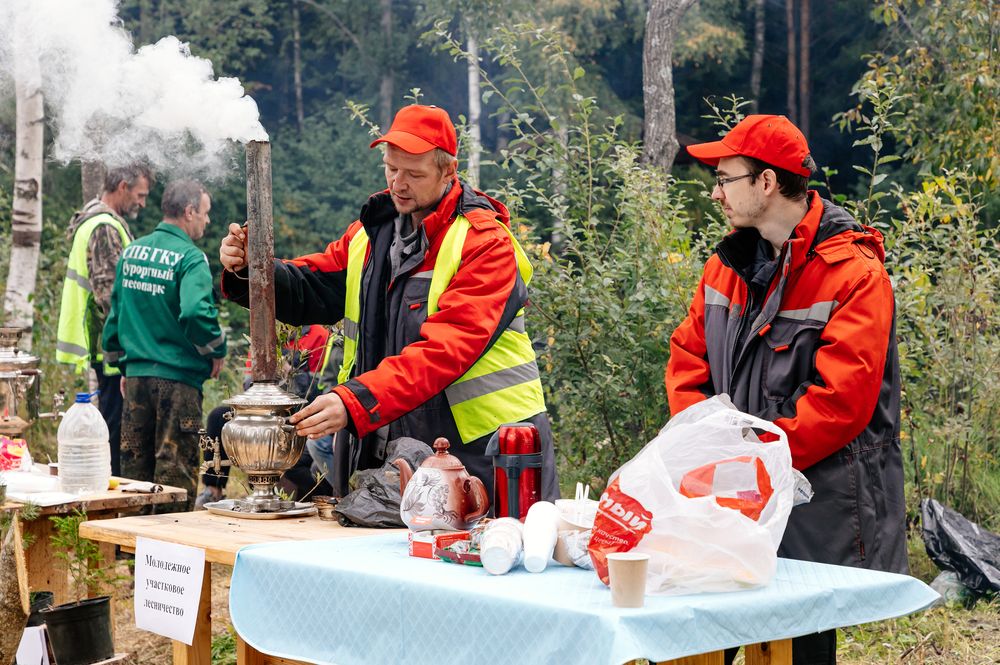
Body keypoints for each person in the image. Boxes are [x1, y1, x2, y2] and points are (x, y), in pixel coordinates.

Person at [218, 104, 559, 504]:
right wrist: (252, 269)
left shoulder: (486, 244)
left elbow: (443, 352)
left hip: (488, 455)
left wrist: (354, 400)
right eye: (390, 168)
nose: (398, 183)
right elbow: (312, 284)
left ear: (449, 172)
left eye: (414, 174)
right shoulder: (370, 233)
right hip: (393, 448)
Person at [665, 115, 906, 665]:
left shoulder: (853, 272)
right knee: (706, 634)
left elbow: (841, 401)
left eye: (726, 178)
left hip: (814, 504)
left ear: (767, 182)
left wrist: (751, 464)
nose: (716, 191)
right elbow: (687, 360)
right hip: (726, 494)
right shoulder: (727, 266)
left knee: (798, 645)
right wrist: (707, 447)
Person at [103, 179, 227, 510]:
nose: (207, 220)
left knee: (134, 477)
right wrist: (217, 350)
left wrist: (125, 367)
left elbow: (115, 318)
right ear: (189, 212)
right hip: (178, 384)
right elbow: (195, 312)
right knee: (174, 477)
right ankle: (171, 559)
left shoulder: (132, 252)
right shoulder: (190, 258)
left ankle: (132, 556)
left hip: (137, 382)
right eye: (205, 213)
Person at [57, 163, 153, 476]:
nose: (142, 203)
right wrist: (133, 344)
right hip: (112, 348)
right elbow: (110, 295)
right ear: (122, 185)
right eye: (140, 195)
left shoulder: (95, 221)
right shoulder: (104, 228)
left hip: (104, 345)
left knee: (110, 426)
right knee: (114, 432)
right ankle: (112, 502)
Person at [194, 325, 336, 509]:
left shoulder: (319, 337)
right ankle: (213, 489)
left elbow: (319, 389)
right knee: (217, 416)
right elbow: (247, 384)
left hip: (297, 413)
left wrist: (289, 372)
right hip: (261, 409)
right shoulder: (265, 337)